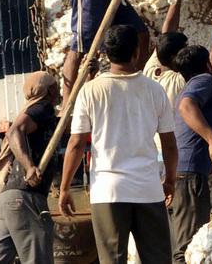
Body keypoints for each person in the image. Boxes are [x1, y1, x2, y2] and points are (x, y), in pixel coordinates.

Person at [60, 25, 177, 264]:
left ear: (106, 53)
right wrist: (170, 181)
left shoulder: (90, 91)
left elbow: (76, 144)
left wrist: (64, 188)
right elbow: (170, 144)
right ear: (137, 52)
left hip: (108, 191)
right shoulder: (155, 90)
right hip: (148, 189)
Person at [168, 15, 212, 262]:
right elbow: (187, 107)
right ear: (205, 66)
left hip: (184, 172)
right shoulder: (203, 83)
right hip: (189, 175)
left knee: (189, 242)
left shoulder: (194, 81)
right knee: (188, 247)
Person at [0, 72, 60, 264]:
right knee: (38, 258)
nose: (58, 89)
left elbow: (67, 112)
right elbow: (14, 131)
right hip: (25, 198)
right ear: (49, 90)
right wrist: (29, 167)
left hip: (9, 199)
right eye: (55, 86)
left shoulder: (40, 112)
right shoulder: (42, 108)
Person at [143, 0, 204, 110]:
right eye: (184, 49)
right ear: (173, 57)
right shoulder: (178, 82)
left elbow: (167, 32)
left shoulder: (153, 69)